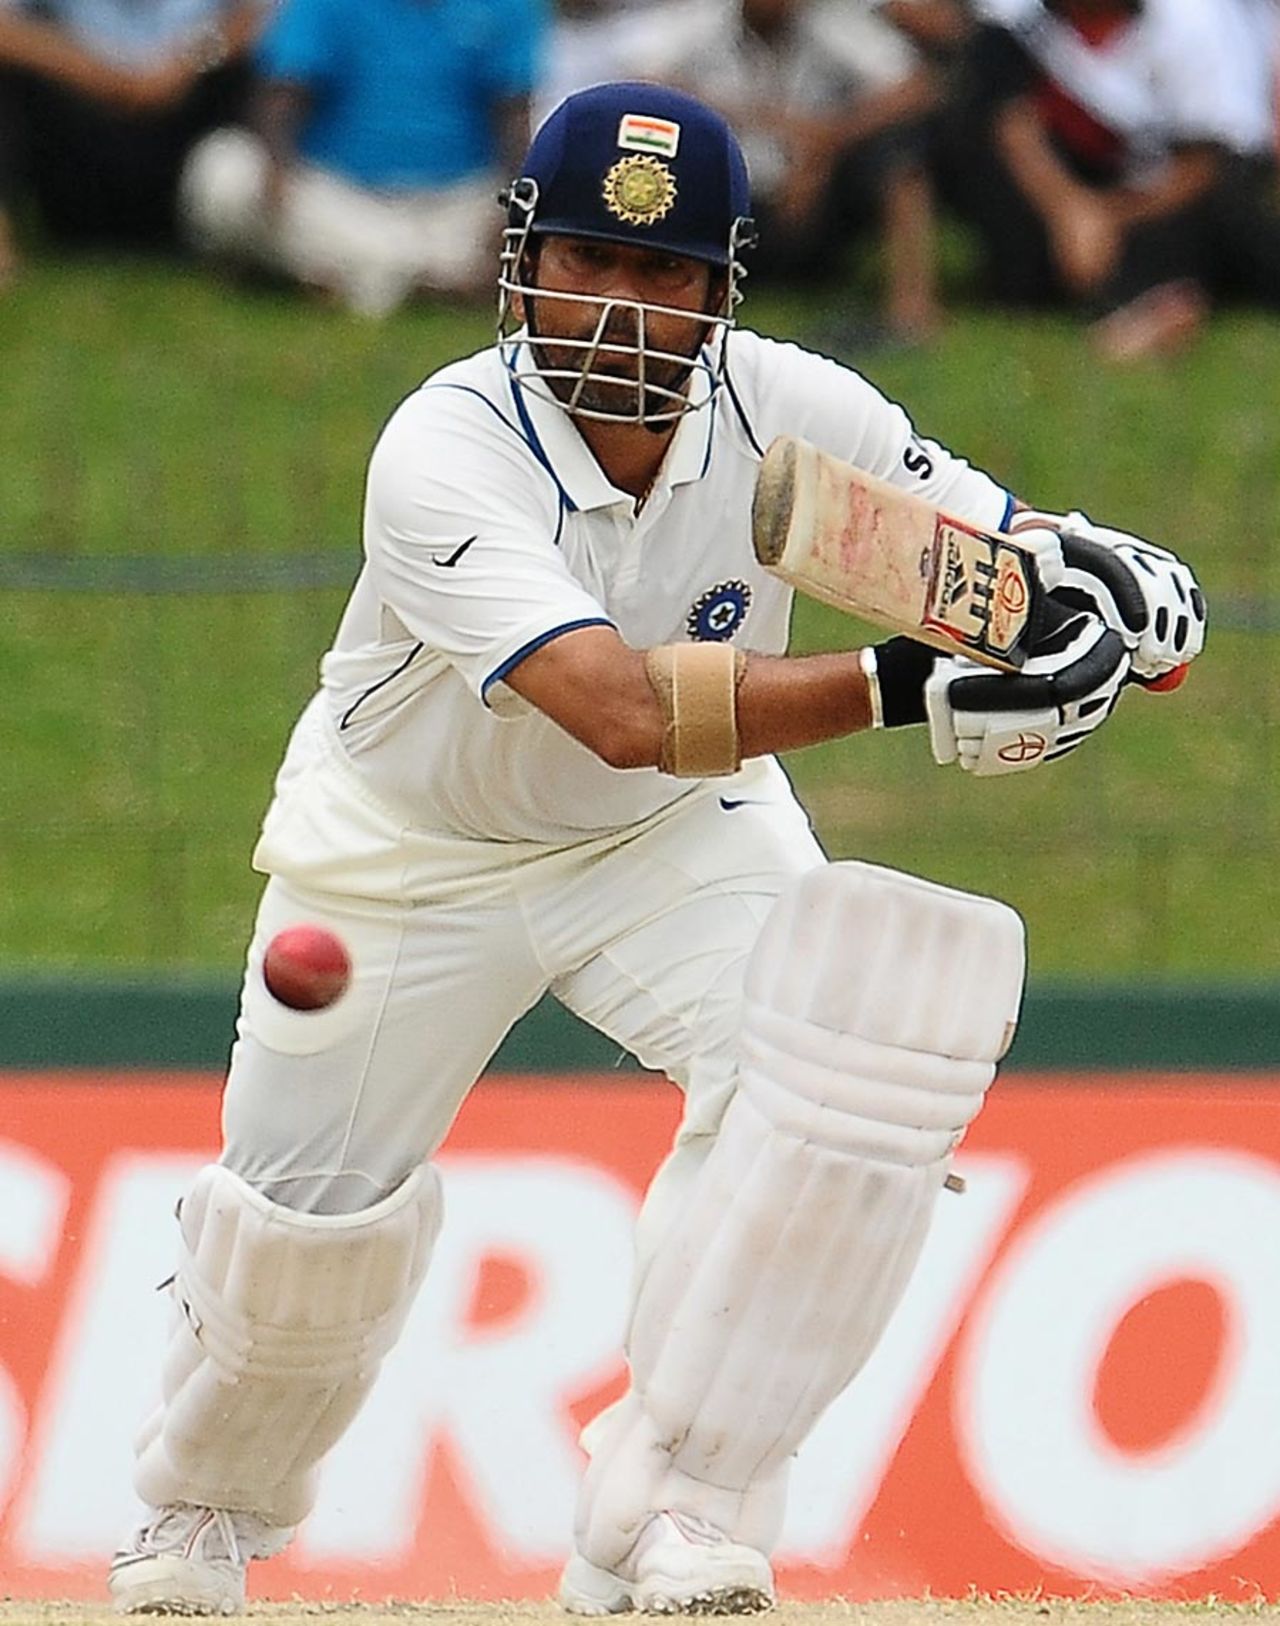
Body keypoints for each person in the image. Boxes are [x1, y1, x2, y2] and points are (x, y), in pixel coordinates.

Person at [106, 81, 1205, 1617]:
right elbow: (616, 711)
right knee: (301, 1231)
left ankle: (677, 1508)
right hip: (405, 849)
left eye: (665, 274)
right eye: (588, 263)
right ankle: (200, 1513)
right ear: (523, 263)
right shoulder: (445, 447)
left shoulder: (792, 406)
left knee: (850, 1069)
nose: (622, 308)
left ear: (723, 286)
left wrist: (1108, 602)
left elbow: (979, 554)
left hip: (676, 835)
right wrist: (907, 685)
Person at [943, 0, 1280, 359]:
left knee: (1225, 215)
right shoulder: (1017, 24)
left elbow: (1206, 162)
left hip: (1164, 199)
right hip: (1064, 195)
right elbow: (1010, 121)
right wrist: (1069, 209)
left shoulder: (1193, 20)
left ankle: (1154, 302)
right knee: (971, 154)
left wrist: (1107, 217)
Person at [178, 0, 545, 316]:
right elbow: (283, 91)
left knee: (517, 216)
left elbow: (513, 116)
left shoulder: (509, 5)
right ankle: (420, 278)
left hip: (452, 205)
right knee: (223, 172)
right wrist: (276, 172)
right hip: (339, 195)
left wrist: (512, 211)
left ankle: (340, 274)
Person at [625, 0, 945, 342]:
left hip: (816, 199)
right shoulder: (704, 22)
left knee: (895, 155)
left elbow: (915, 85)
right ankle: (652, 294)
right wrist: (742, 117)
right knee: (655, 142)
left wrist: (827, 142)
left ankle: (911, 311)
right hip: (727, 198)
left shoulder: (830, 24)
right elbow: (641, 81)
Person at [0, 0, 264, 283]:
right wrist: (93, 72)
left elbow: (270, 17)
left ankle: (252, 236)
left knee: (261, 69)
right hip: (78, 138)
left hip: (186, 139)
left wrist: (188, 63)